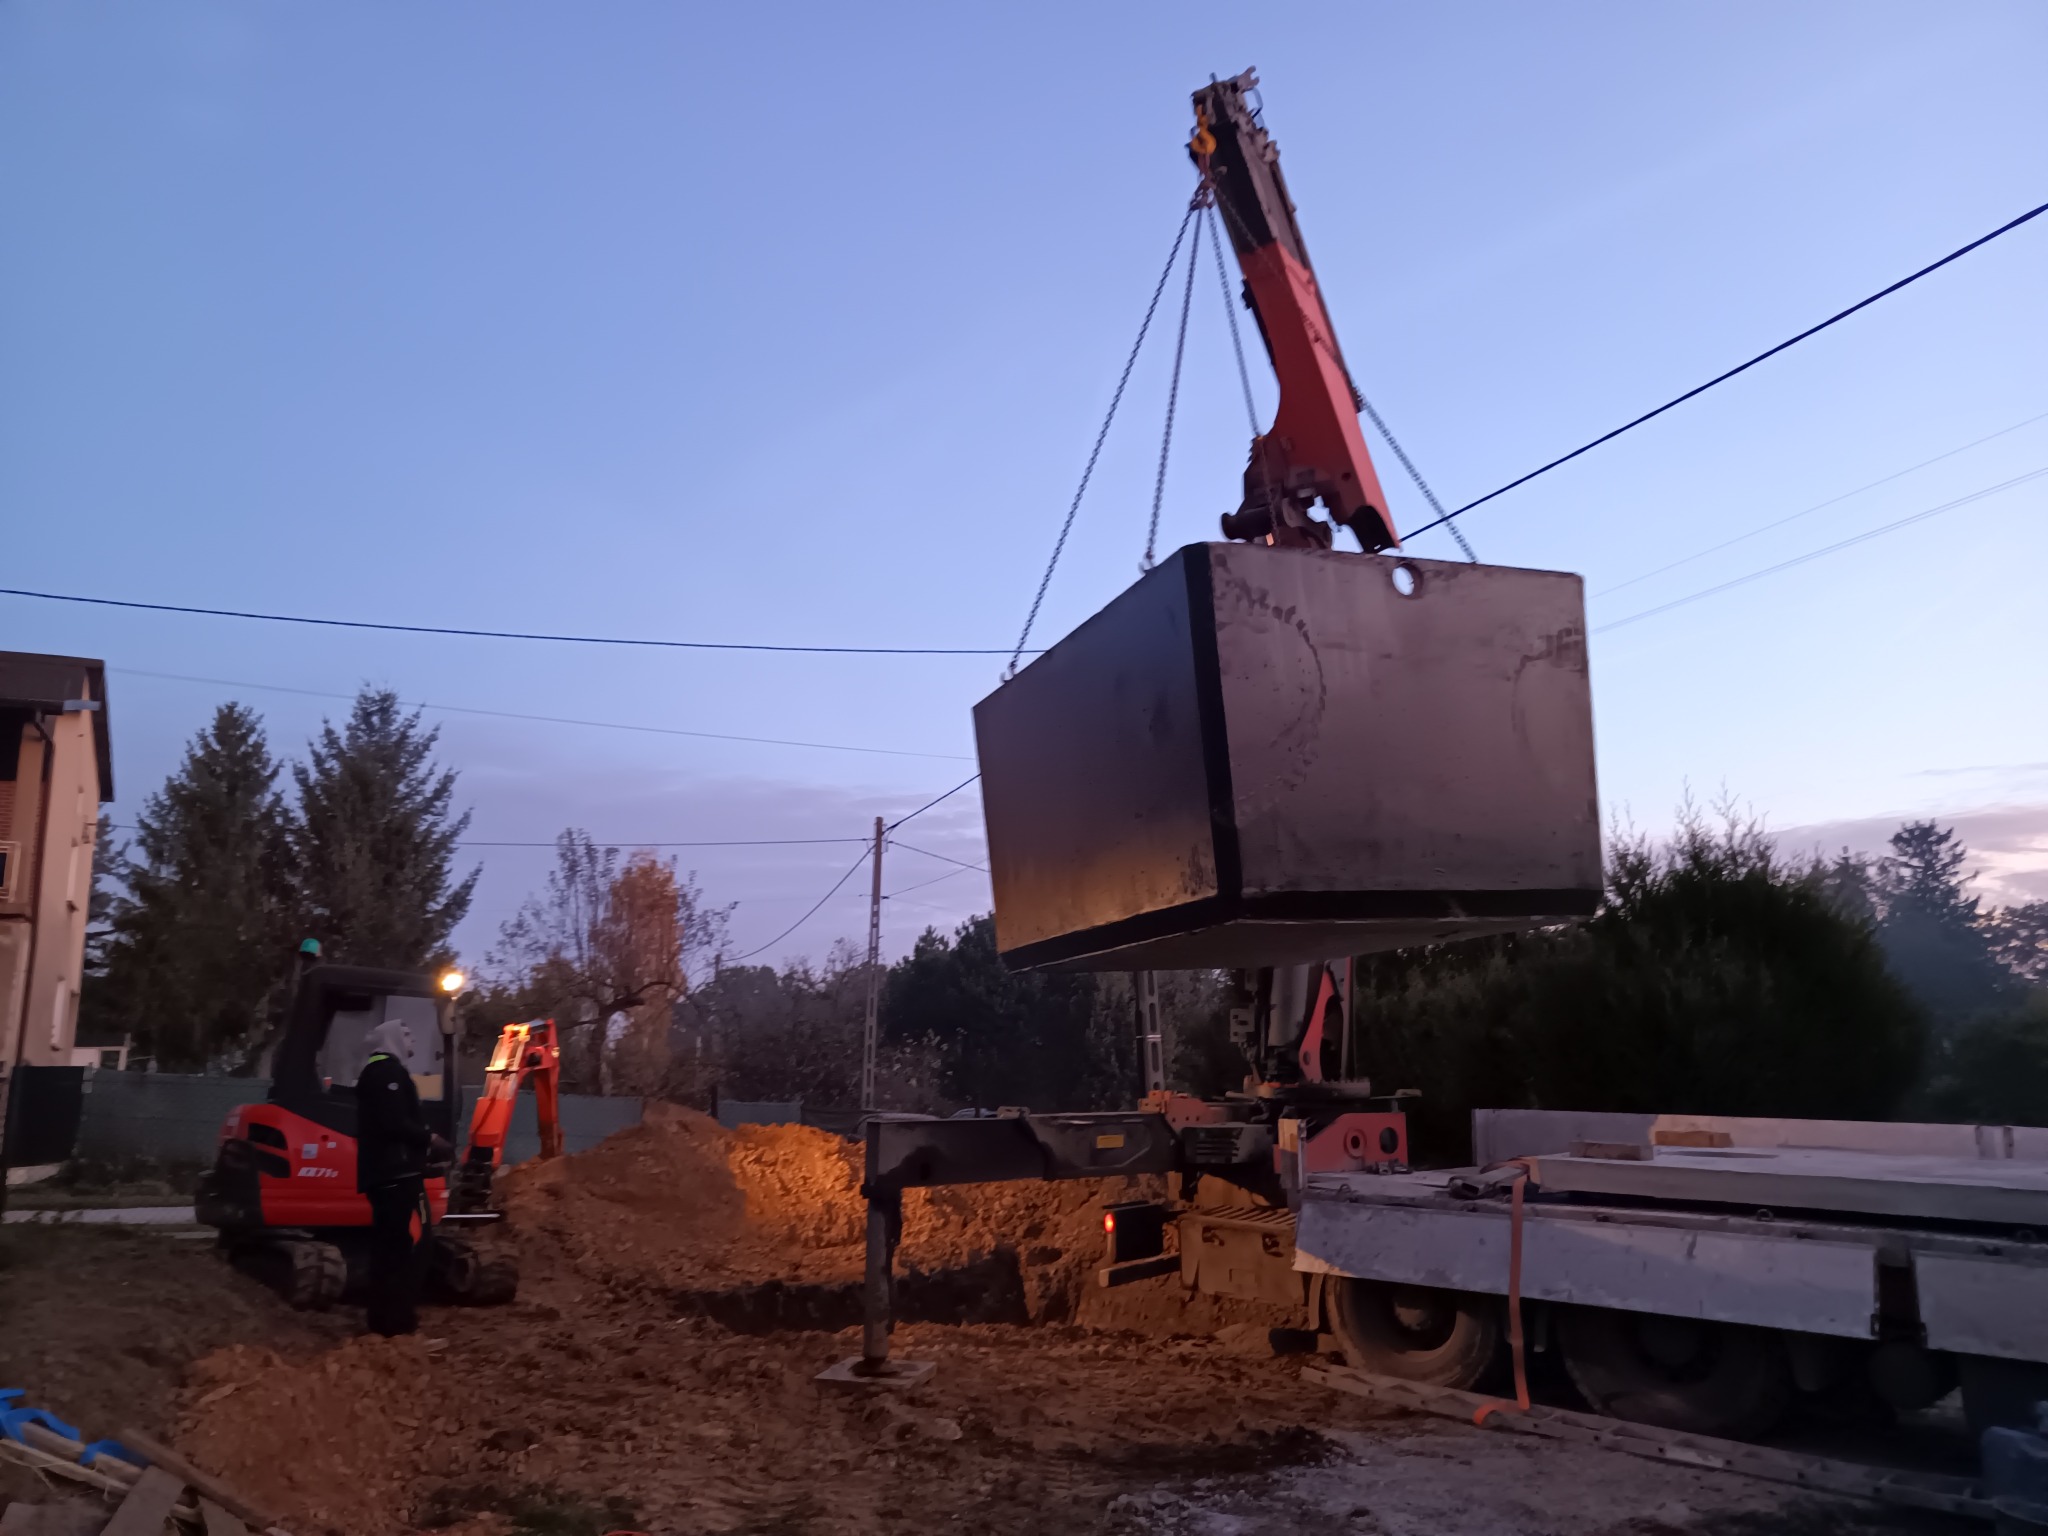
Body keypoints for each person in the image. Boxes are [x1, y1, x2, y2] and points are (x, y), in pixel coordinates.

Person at [355, 1018, 442, 1337]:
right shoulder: (388, 1073)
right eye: (405, 1034)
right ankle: (397, 1322)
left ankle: (383, 1320)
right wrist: (429, 1138)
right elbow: (394, 1123)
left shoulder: (376, 1073)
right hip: (398, 1177)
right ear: (389, 1038)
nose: (412, 1041)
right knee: (415, 1246)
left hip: (389, 1175)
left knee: (389, 1247)